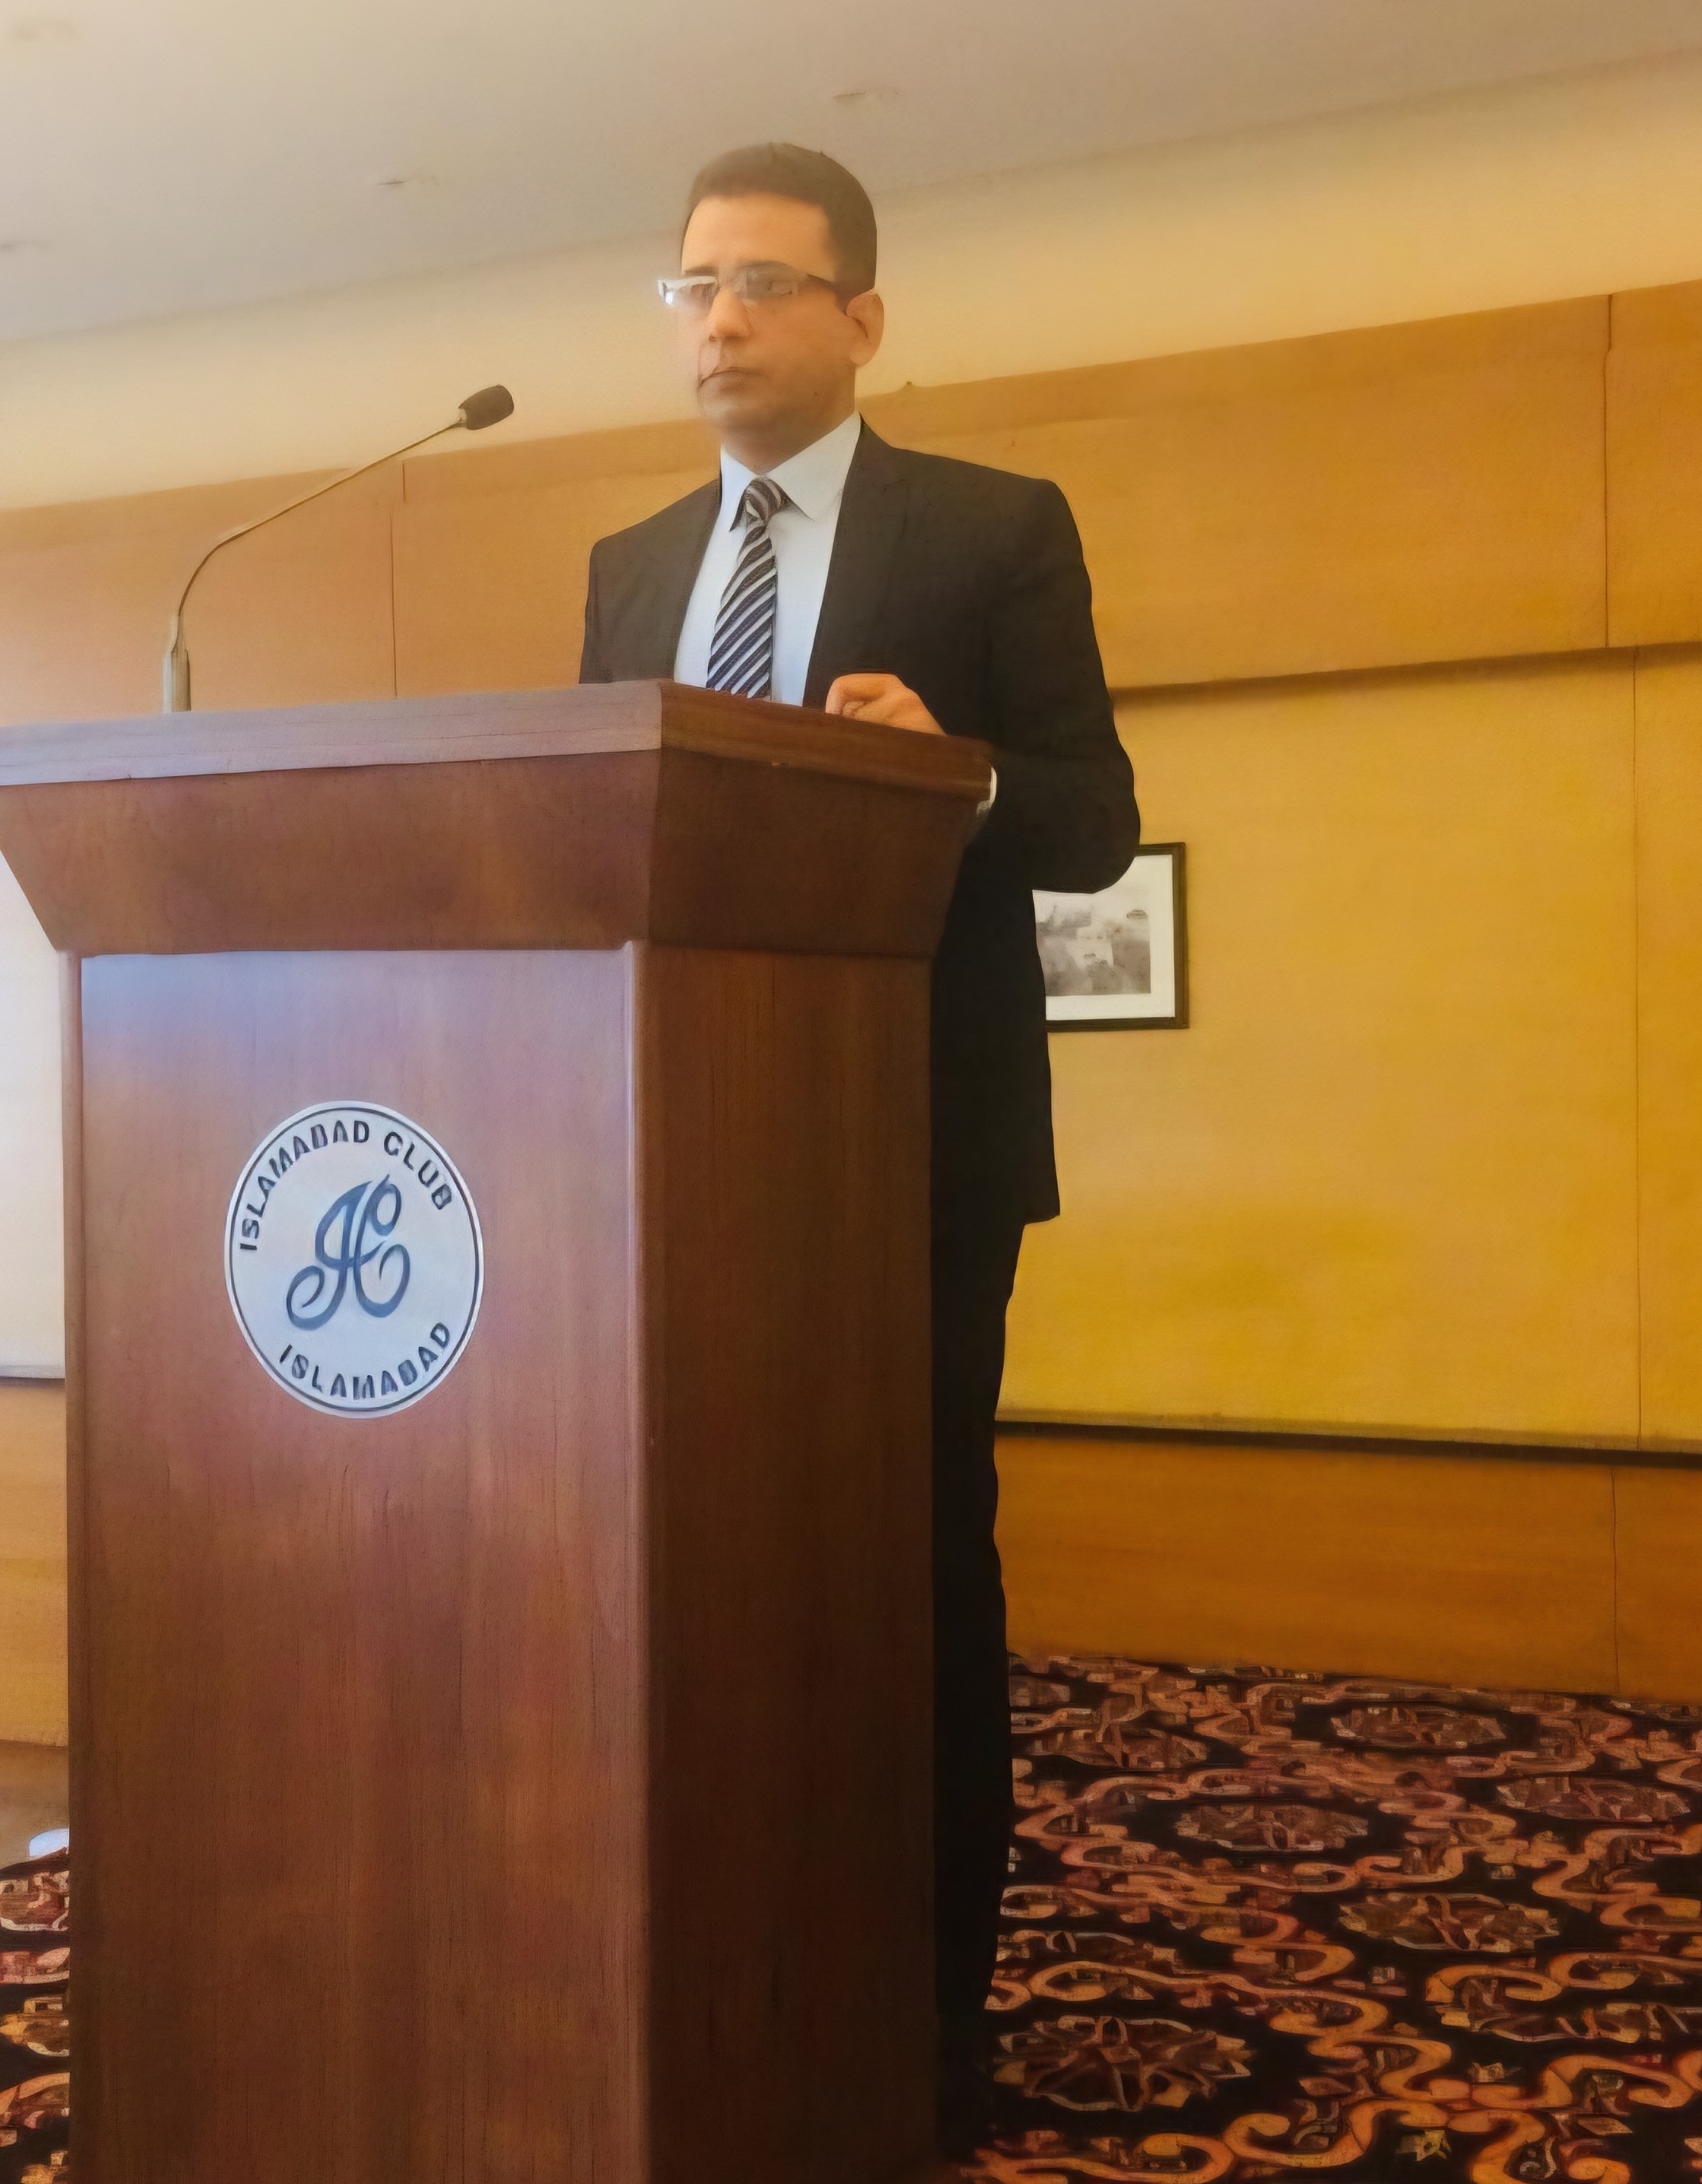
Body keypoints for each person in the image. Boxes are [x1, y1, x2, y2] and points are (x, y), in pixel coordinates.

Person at [578, 142, 1138, 2150]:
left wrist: (953, 771)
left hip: (911, 1152)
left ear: (861, 317)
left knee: (907, 1575)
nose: (718, 320)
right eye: (692, 287)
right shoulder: (632, 566)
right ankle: (710, 1963)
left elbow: (1093, 818)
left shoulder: (989, 527)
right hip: (673, 1168)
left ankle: (922, 2016)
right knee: (698, 1574)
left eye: (761, 284)